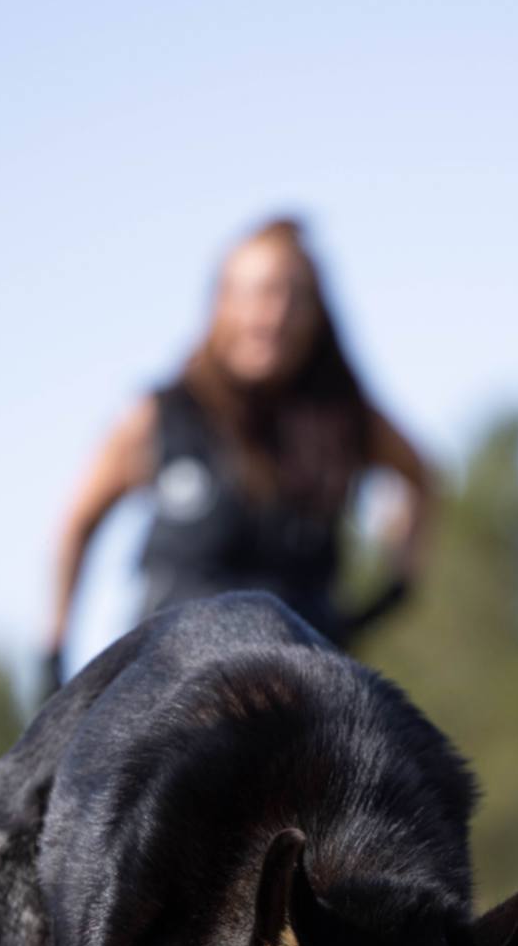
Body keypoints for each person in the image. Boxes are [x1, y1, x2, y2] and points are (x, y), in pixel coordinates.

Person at [41, 216, 434, 693]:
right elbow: (77, 524)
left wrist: (395, 588)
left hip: (304, 691)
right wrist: (54, 648)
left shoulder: (344, 418)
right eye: (257, 295)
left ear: (317, 314)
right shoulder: (162, 415)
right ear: (220, 305)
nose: (274, 315)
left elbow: (420, 476)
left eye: (294, 296)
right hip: (173, 689)